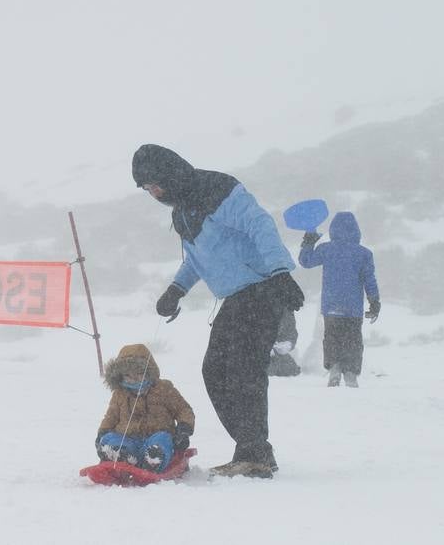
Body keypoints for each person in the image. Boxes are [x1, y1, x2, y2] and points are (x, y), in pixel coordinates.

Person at [135, 144, 303, 479]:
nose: (153, 193)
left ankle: (254, 454)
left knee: (243, 370)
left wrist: (280, 271)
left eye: (154, 185)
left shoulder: (217, 189)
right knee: (215, 371)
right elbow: (198, 259)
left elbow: (260, 224)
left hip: (262, 288)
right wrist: (176, 289)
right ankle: (254, 450)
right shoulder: (181, 211)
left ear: (170, 174)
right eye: (146, 189)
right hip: (236, 297)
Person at [296, 211, 381, 388]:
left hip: (332, 306)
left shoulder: (326, 249)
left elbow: (306, 261)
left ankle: (334, 369)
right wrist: (374, 302)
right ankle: (351, 374)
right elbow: (369, 280)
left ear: (333, 229)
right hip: (353, 308)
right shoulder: (364, 254)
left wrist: (309, 241)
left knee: (332, 338)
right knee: (353, 341)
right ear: (357, 231)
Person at [94, 343, 195, 471]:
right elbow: (111, 417)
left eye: (139, 373)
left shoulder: (163, 389)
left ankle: (154, 459)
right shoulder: (120, 393)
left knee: (162, 439)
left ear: (148, 372)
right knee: (109, 439)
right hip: (129, 440)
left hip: (155, 437)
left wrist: (183, 429)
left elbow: (183, 410)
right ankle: (122, 457)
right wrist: (102, 432)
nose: (133, 379)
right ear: (120, 376)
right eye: (128, 375)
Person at [267, 309, 301, 378]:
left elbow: (292, 331)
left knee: (292, 369)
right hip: (254, 354)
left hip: (277, 353)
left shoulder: (286, 309)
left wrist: (288, 344)